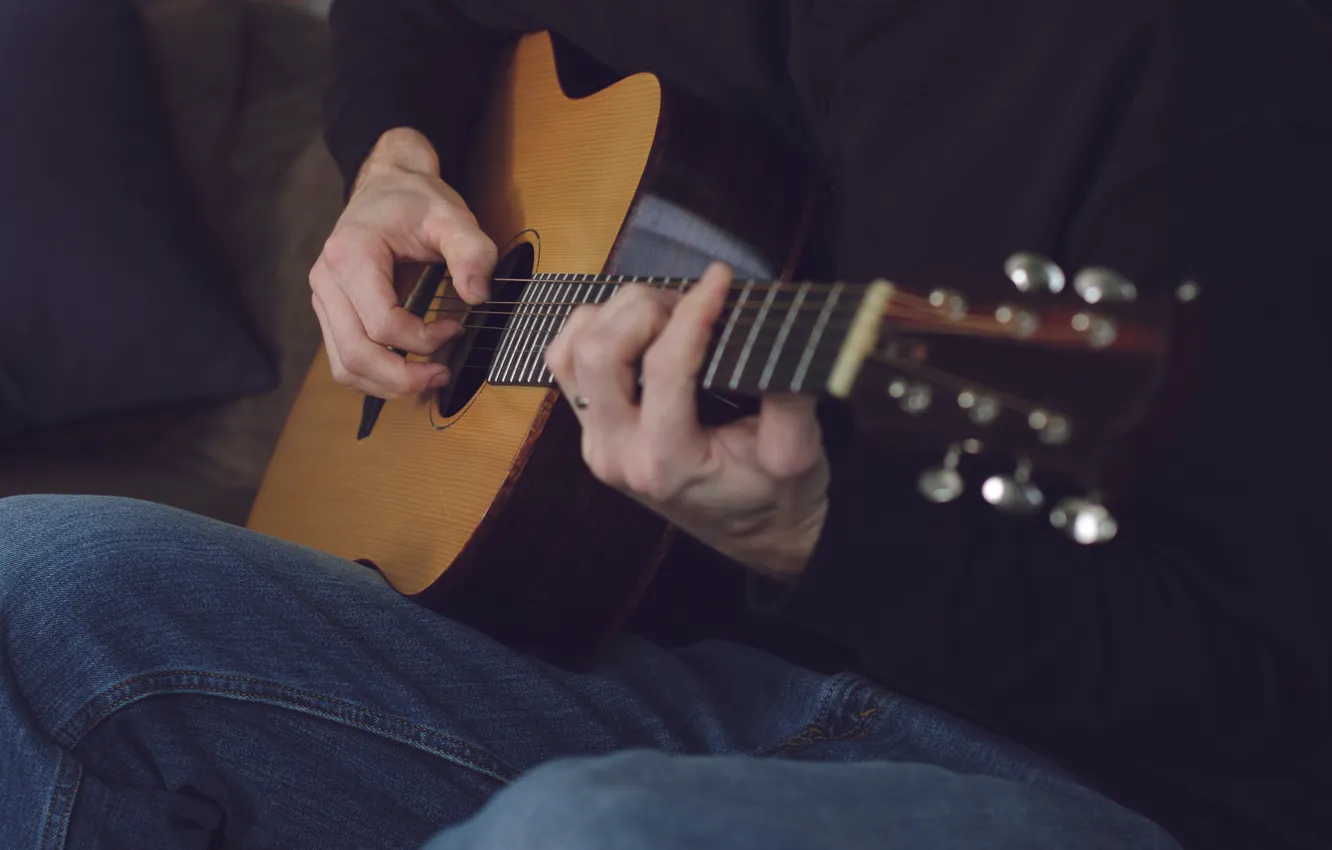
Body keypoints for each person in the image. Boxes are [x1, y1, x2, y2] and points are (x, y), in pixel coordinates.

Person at [3, 0, 1330, 848]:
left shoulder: (1205, 81)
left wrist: (819, 533)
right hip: (675, 670)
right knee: (33, 585)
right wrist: (388, 160)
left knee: (587, 834)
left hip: (1093, 782)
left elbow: (1276, 719)